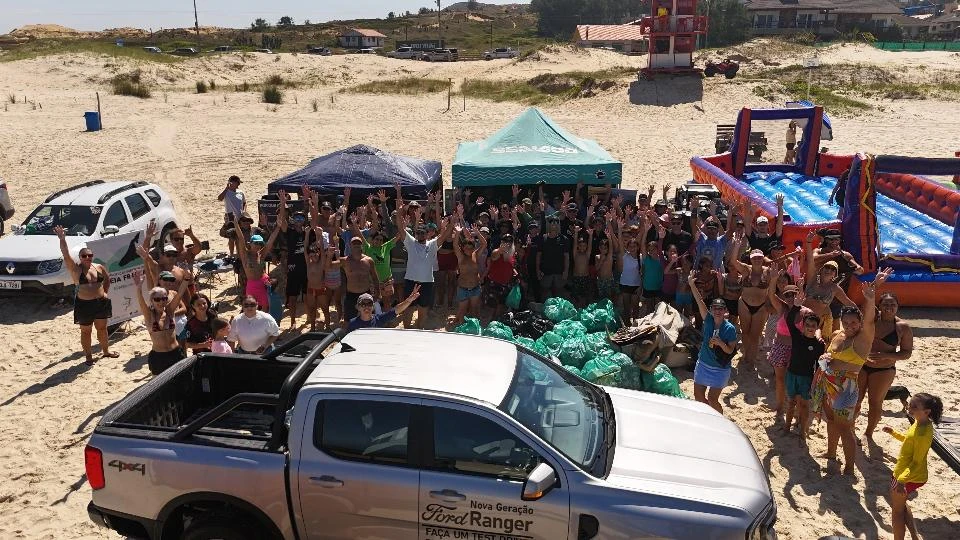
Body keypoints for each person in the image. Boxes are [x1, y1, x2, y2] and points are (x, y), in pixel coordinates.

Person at [811, 267, 893, 476]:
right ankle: (830, 453)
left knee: (846, 428)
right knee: (831, 421)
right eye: (846, 322)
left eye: (853, 323)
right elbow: (830, 353)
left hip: (845, 388)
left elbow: (868, 320)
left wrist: (872, 294)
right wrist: (825, 357)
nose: (849, 326)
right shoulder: (838, 333)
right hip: (827, 382)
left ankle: (849, 468)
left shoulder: (863, 339)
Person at [54, 225, 119, 365]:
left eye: (90, 255)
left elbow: (107, 279)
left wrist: (106, 292)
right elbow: (65, 254)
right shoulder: (75, 269)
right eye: (85, 256)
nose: (88, 257)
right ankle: (89, 357)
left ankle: (106, 351)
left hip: (101, 302)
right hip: (84, 304)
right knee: (86, 332)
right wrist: (62, 238)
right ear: (80, 258)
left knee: (102, 328)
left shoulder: (98, 266)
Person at [883, 393, 943, 540]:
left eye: (914, 406)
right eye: (910, 404)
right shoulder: (920, 423)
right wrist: (894, 433)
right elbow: (909, 441)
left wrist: (902, 480)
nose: (910, 408)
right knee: (901, 504)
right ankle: (914, 535)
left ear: (927, 412)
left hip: (907, 475)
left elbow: (916, 461)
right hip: (907, 474)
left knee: (896, 512)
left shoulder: (924, 433)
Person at [856, 292, 914, 443]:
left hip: (884, 369)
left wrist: (887, 356)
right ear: (879, 306)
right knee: (855, 399)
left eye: (892, 305)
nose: (889, 307)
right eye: (885, 304)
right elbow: (864, 306)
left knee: (875, 402)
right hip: (862, 365)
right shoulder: (872, 319)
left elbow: (906, 353)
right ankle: (850, 427)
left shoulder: (902, 327)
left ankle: (868, 433)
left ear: (897, 307)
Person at [688, 272, 738, 414]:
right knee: (698, 397)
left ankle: (720, 421)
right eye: (715, 308)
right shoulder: (708, 320)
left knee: (712, 399)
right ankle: (708, 416)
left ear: (725, 311)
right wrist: (692, 285)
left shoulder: (730, 329)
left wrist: (721, 343)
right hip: (703, 363)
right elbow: (700, 301)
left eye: (720, 308)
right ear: (711, 310)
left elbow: (729, 351)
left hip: (720, 369)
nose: (717, 311)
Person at [397, 206, 453, 330]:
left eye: (423, 232)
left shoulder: (432, 244)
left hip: (427, 282)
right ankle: (406, 330)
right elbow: (400, 228)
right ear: (415, 234)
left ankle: (420, 329)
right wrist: (400, 210)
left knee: (423, 307)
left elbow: (445, 235)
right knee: (409, 307)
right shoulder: (411, 242)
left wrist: (453, 221)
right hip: (411, 281)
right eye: (418, 232)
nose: (420, 234)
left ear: (427, 234)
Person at [783, 290, 826, 444]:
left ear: (817, 327)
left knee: (804, 405)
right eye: (807, 325)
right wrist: (796, 307)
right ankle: (787, 427)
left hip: (807, 377)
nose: (809, 328)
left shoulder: (819, 345)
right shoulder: (797, 336)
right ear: (804, 325)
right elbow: (788, 320)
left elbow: (821, 365)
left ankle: (802, 432)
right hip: (792, 374)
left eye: (812, 326)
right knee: (791, 402)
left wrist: (817, 382)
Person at [133, 269, 188, 375]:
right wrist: (139, 286)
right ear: (152, 301)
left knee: (181, 381)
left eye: (163, 299)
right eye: (157, 299)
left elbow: (180, 294)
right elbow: (141, 301)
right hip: (159, 356)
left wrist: (186, 278)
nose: (161, 302)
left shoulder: (170, 311)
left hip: (175, 352)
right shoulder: (149, 315)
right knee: (161, 387)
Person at [803, 232, 857, 336]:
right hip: (801, 319)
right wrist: (809, 242)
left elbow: (849, 303)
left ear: (835, 274)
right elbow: (810, 260)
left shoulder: (835, 288)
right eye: (827, 267)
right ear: (821, 269)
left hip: (816, 324)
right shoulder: (812, 279)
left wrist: (861, 318)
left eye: (832, 269)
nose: (829, 270)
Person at [728, 247, 773, 364]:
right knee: (745, 332)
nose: (757, 260)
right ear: (750, 259)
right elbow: (733, 261)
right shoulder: (745, 269)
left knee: (755, 336)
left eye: (759, 257)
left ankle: (750, 359)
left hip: (761, 307)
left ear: (763, 258)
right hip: (744, 304)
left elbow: (774, 287)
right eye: (754, 258)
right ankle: (747, 354)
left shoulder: (768, 272)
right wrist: (736, 246)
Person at [232, 214, 281, 311]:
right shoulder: (245, 254)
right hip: (251, 285)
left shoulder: (261, 254)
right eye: (256, 243)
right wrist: (236, 225)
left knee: (265, 307)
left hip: (263, 283)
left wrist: (278, 227)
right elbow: (241, 238)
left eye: (260, 243)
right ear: (250, 244)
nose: (258, 245)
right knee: (250, 308)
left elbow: (270, 241)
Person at [452, 223, 486, 326]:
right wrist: (458, 233)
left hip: (475, 287)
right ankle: (460, 326)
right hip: (463, 288)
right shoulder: (461, 257)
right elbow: (455, 245)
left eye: (471, 248)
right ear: (463, 248)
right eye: (466, 248)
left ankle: (473, 328)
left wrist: (477, 233)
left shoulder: (475, 254)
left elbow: (484, 244)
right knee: (462, 311)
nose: (468, 250)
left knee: (474, 311)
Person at [347, 286, 422, 332]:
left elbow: (396, 310)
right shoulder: (352, 323)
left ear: (373, 307)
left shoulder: (379, 319)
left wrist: (409, 300)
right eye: (363, 304)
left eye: (369, 304)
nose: (366, 307)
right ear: (358, 307)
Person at [537, 215, 569, 299]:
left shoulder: (564, 239)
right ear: (548, 224)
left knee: (559, 296)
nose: (554, 224)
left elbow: (566, 256)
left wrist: (566, 271)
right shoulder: (543, 238)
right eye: (551, 222)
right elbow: (538, 255)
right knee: (545, 295)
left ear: (559, 224)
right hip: (546, 272)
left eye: (556, 222)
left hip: (559, 273)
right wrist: (537, 270)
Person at [218, 175, 246, 257]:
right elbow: (219, 198)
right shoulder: (226, 192)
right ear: (232, 182)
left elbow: (244, 203)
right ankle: (231, 254)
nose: (238, 185)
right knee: (231, 237)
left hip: (240, 217)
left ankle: (238, 253)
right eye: (237, 183)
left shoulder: (241, 192)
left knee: (239, 236)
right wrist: (226, 188)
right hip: (230, 217)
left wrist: (244, 211)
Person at [570, 225, 595, 308]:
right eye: (580, 246)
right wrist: (576, 233)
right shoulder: (575, 254)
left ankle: (583, 308)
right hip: (576, 277)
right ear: (578, 246)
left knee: (584, 296)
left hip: (585, 277)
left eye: (584, 246)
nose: (582, 247)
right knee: (576, 296)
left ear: (586, 247)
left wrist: (591, 235)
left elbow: (590, 247)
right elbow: (574, 245)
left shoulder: (587, 255)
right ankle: (576, 309)